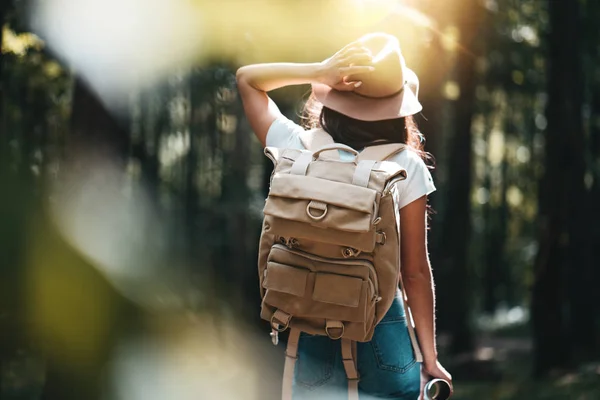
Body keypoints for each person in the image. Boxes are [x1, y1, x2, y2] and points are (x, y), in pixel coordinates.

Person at [236, 32, 452, 399]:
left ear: (333, 94)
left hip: (309, 318)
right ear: (397, 106)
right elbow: (413, 271)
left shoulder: (296, 149)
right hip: (382, 324)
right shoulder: (405, 165)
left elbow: (247, 79)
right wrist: (430, 359)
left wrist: (318, 70)